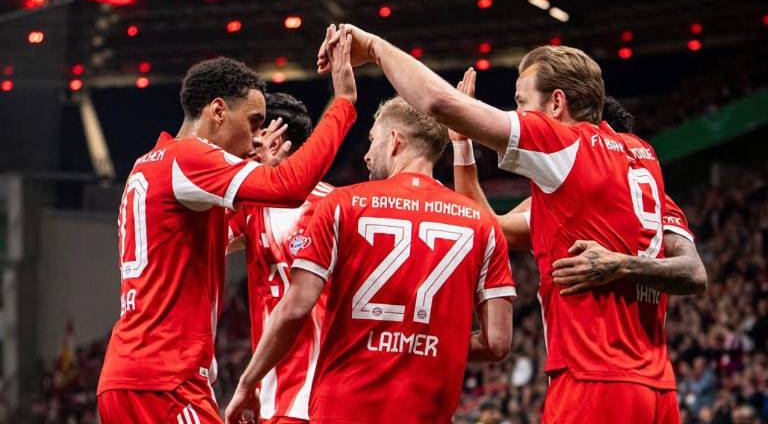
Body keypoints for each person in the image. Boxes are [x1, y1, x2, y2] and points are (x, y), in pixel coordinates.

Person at [318, 24, 686, 423]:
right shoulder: (639, 159)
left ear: (556, 104)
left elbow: (439, 102)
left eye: (521, 101)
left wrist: (372, 47)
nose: (518, 113)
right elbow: (490, 225)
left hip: (596, 380)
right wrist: (462, 145)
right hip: (658, 388)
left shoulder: (566, 145)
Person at [97, 25, 357, 424]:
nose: (256, 139)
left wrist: (254, 172)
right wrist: (343, 103)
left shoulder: (151, 164)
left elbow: (209, 237)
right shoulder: (189, 158)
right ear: (218, 111)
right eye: (253, 122)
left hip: (131, 373)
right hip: (165, 380)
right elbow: (289, 187)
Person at [225, 91, 516, 423]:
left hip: (337, 404)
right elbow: (496, 344)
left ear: (393, 141)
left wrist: (248, 381)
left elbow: (294, 307)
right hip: (426, 408)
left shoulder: (345, 205)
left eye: (372, 140)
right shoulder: (482, 224)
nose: (365, 155)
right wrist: (419, 339)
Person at [449, 72, 706, 297]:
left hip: (588, 349)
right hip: (650, 351)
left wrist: (622, 265)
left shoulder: (584, 182)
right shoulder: (653, 195)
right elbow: (694, 272)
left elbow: (486, 230)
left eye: (523, 104)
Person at [227, 92, 334, 423]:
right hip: (273, 393)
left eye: (253, 132)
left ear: (275, 140)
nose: (246, 145)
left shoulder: (332, 206)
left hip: (315, 392)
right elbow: (204, 240)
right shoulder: (251, 206)